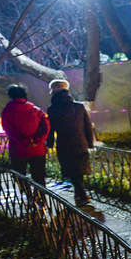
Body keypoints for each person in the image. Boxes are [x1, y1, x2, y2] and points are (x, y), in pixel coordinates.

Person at [46, 78, 95, 207]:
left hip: (64, 144)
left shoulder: (52, 109)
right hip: (80, 143)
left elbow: (50, 130)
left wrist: (49, 144)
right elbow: (87, 126)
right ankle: (80, 194)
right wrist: (90, 143)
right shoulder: (79, 107)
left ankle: (81, 194)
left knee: (73, 171)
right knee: (79, 170)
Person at [0, 84, 49, 185]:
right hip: (37, 149)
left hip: (18, 149)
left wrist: (23, 141)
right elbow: (46, 128)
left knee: (19, 175)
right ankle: (40, 198)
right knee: (39, 176)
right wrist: (36, 141)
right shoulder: (36, 110)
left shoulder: (8, 111)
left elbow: (8, 129)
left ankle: (27, 196)